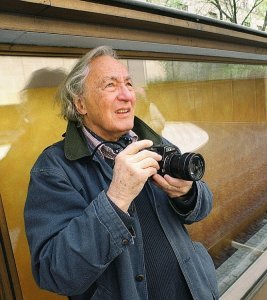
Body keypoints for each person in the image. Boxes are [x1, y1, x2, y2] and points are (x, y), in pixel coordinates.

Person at [24, 46, 219, 300]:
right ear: (80, 103)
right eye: (110, 85)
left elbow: (203, 207)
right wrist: (116, 198)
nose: (127, 95)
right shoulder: (54, 169)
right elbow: (55, 273)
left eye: (128, 83)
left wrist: (188, 193)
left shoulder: (152, 140)